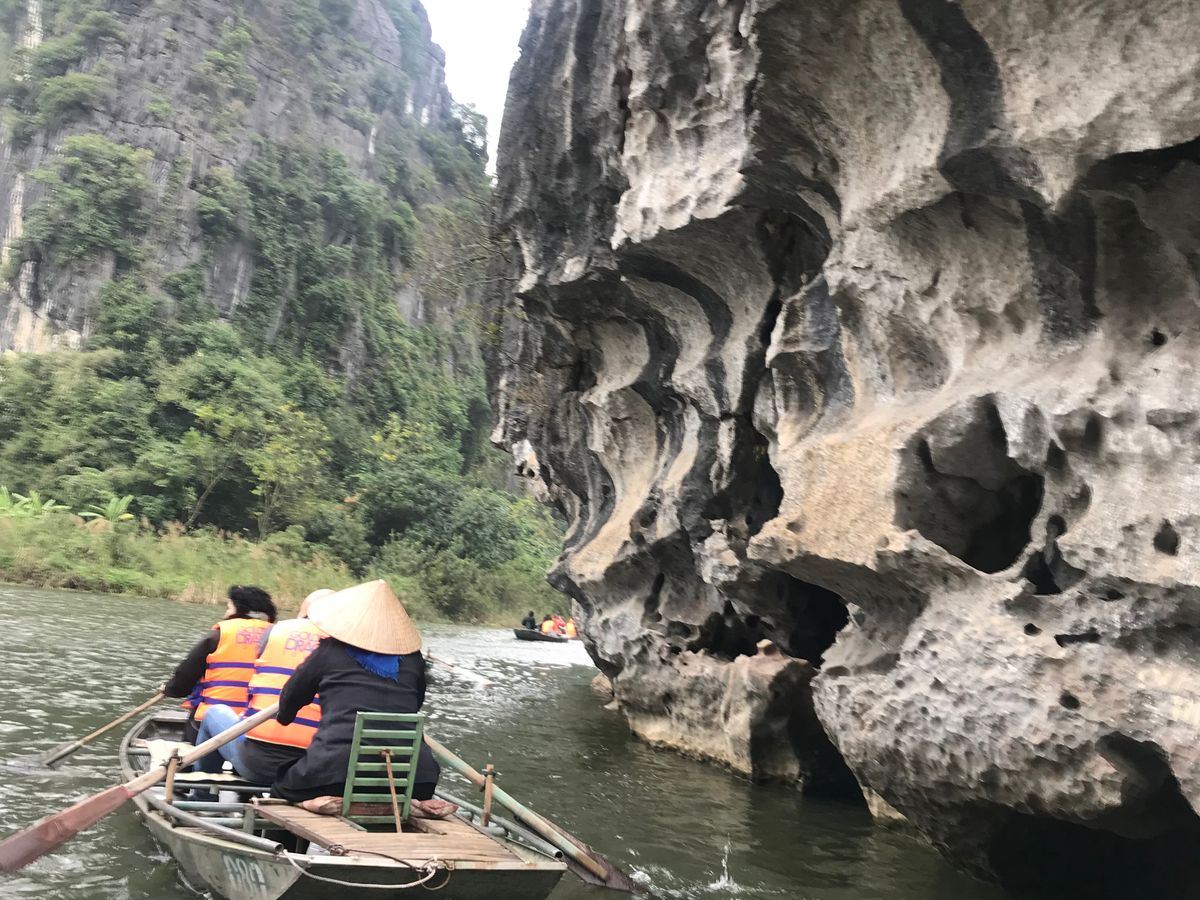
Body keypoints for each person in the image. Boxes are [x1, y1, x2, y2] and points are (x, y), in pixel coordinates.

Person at [270, 580, 455, 819]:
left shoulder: (329, 651)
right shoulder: (413, 659)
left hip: (335, 775)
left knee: (281, 787)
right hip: (416, 778)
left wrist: (285, 716)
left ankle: (310, 804)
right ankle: (403, 805)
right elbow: (415, 704)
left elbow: (289, 702)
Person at [191, 588, 334, 781]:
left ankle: (202, 794)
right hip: (306, 770)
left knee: (214, 713)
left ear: (303, 612)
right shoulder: (345, 649)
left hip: (256, 763)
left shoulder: (275, 631)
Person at [164, 586, 277, 744]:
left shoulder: (219, 635)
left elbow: (185, 677)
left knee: (196, 725)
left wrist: (170, 689)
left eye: (228, 607)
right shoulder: (279, 636)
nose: (226, 613)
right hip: (261, 726)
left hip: (211, 724)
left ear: (240, 609)